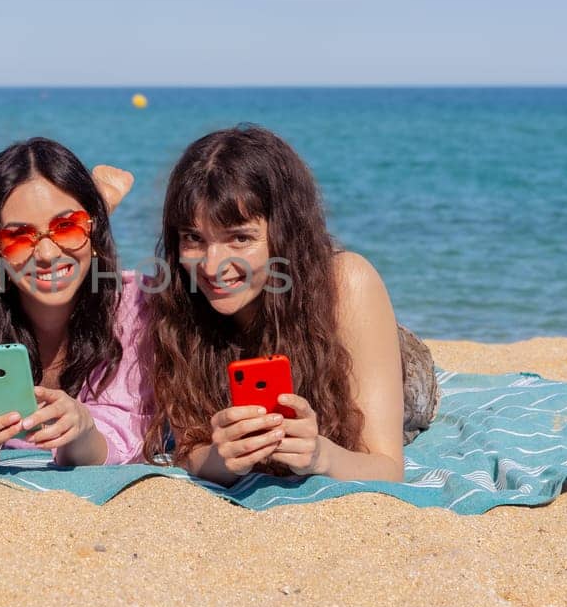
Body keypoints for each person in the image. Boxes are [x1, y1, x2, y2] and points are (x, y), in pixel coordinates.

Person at [146, 125, 438, 485]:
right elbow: (191, 451)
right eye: (194, 238)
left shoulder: (346, 282)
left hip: (397, 365)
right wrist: (223, 459)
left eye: (240, 238)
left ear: (285, 233)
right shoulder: (178, 298)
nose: (211, 265)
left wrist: (320, 455)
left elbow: (387, 468)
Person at [0, 140, 151, 466]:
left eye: (67, 226)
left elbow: (130, 434)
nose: (47, 253)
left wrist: (81, 433)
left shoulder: (132, 302)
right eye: (18, 236)